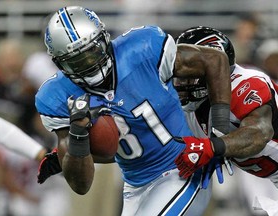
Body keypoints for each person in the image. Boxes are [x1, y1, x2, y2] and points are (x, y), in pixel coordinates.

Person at [35, 6, 232, 216]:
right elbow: (81, 186)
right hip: (135, 186)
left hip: (182, 167)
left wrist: (219, 132)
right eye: (76, 61)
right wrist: (78, 136)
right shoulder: (56, 97)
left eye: (93, 52)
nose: (89, 64)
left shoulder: (143, 49)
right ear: (59, 64)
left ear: (105, 38)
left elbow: (215, 59)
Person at [173, 26, 278, 191]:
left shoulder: (245, 82)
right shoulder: (195, 109)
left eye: (191, 74)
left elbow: (259, 133)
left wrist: (214, 146)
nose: (182, 82)